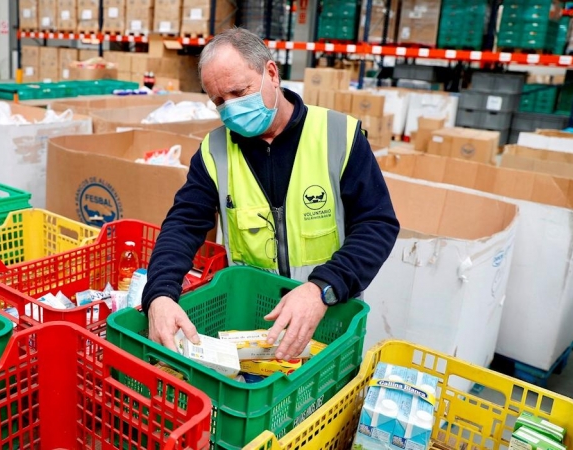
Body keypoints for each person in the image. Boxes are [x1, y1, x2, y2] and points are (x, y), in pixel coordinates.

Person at [141, 27, 400, 360]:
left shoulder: (339, 135)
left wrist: (322, 287)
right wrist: (160, 294)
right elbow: (183, 225)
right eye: (219, 101)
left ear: (271, 73)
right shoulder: (215, 152)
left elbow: (377, 223)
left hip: (328, 314)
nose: (231, 108)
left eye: (239, 91)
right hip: (254, 329)